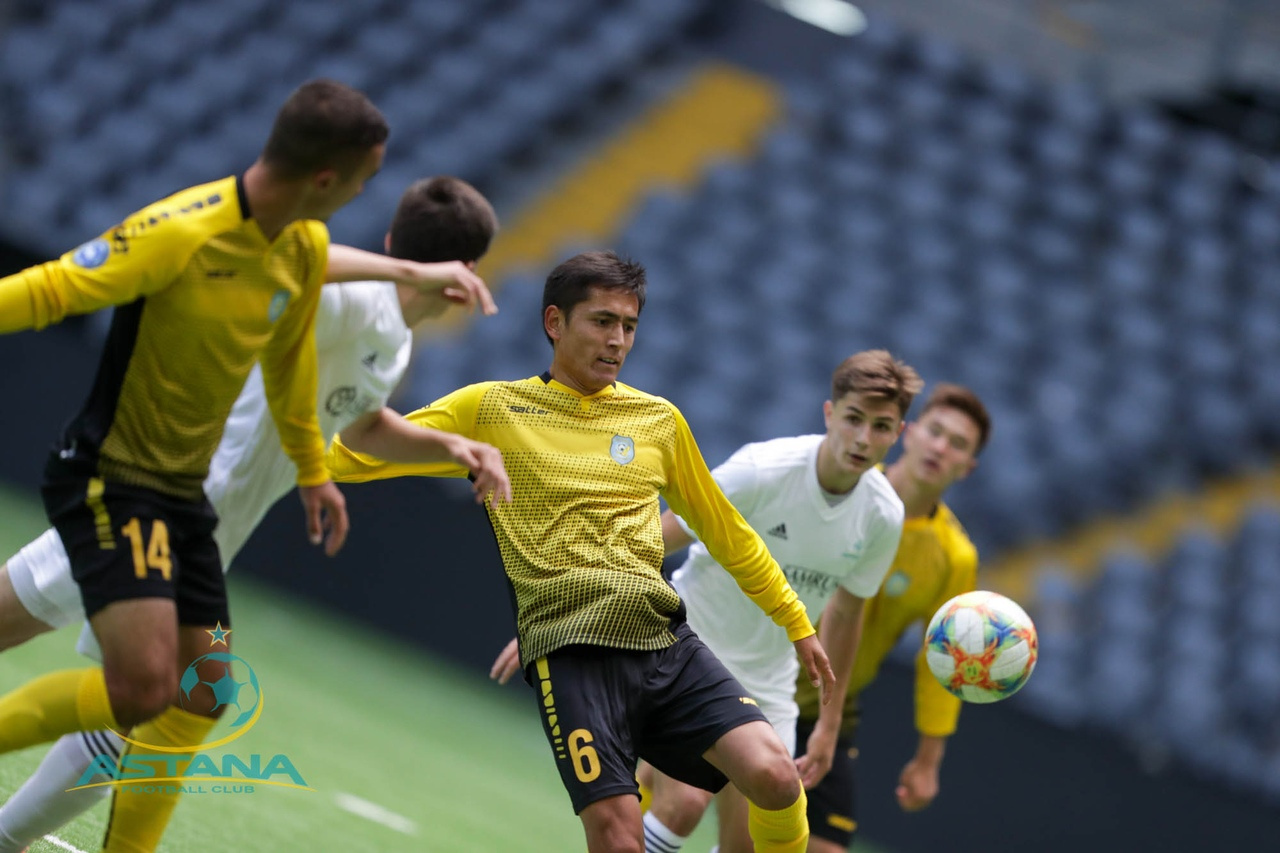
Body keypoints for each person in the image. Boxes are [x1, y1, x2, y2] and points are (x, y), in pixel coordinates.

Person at [0, 175, 510, 852]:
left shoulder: (396, 338)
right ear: (462, 274)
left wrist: (449, 447)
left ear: (393, 235)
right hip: (163, 504)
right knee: (180, 692)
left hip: (200, 530)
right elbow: (288, 259)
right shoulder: (358, 299)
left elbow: (360, 427)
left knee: (157, 698)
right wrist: (409, 273)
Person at [326, 250, 837, 853]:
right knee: (618, 839)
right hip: (570, 654)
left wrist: (794, 621)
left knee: (776, 777)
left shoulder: (659, 422)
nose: (617, 340)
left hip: (662, 640)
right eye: (601, 321)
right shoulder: (490, 409)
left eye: (629, 326)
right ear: (555, 322)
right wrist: (299, 430)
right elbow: (351, 455)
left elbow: (727, 531)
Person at [0, 78, 384, 843]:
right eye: (363, 178)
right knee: (145, 683)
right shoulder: (183, 230)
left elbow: (288, 365)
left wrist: (312, 469)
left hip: (181, 498)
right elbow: (52, 289)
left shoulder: (301, 246)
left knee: (200, 691)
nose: (362, 193)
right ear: (324, 178)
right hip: (114, 477)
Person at [502, 349, 923, 853]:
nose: (863, 438)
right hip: (683, 656)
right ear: (830, 413)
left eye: (881, 427)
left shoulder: (883, 515)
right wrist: (567, 609)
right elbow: (661, 534)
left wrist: (828, 729)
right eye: (854, 418)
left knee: (748, 843)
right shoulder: (763, 470)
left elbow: (847, 614)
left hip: (769, 684)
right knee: (684, 804)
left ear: (898, 434)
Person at [794, 382, 989, 853]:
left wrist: (928, 760)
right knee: (695, 808)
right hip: (754, 674)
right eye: (935, 432)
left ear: (968, 467)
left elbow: (943, 662)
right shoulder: (842, 485)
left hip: (827, 709)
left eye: (957, 444)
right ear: (911, 432)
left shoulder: (955, 558)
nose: (940, 448)